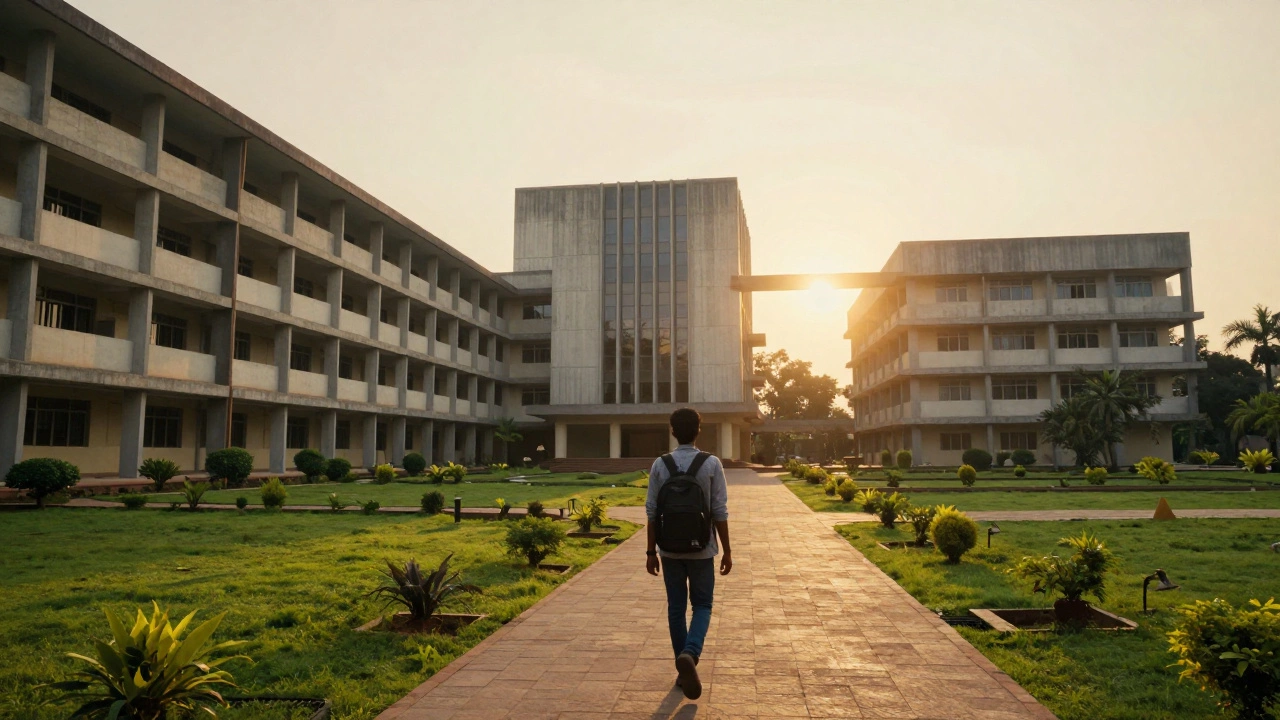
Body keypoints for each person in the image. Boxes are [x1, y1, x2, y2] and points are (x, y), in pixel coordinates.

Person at [645, 407, 731, 700]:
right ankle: (691, 654)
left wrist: (650, 552)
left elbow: (652, 513)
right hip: (702, 548)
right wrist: (727, 551)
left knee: (675, 608)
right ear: (698, 430)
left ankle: (683, 671)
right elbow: (719, 512)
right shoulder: (711, 464)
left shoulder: (660, 464)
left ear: (672, 431)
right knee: (703, 605)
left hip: (668, 549)